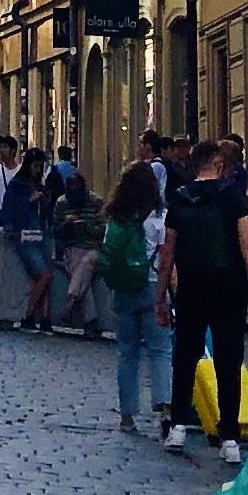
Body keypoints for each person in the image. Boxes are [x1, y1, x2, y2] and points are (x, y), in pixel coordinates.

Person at [163, 138, 248, 459]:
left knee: (186, 355)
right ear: (219, 165)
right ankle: (230, 439)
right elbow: (247, 245)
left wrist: (161, 295)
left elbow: (168, 252)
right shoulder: (232, 197)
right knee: (228, 359)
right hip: (229, 286)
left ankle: (179, 427)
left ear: (193, 165)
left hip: (192, 285)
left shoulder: (179, 199)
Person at [101, 161, 171, 433]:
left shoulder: (116, 217)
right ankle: (164, 408)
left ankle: (127, 416)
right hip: (153, 286)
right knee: (160, 350)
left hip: (122, 291)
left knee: (127, 353)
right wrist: (165, 294)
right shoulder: (160, 218)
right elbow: (166, 258)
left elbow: (109, 254)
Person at [0, 146, 53, 330]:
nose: (38, 170)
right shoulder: (18, 185)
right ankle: (28, 315)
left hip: (41, 234)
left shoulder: (41, 186)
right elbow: (9, 208)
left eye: (41, 167)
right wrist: (29, 201)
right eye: (36, 166)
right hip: (25, 235)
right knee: (45, 275)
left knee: (40, 278)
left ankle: (44, 319)